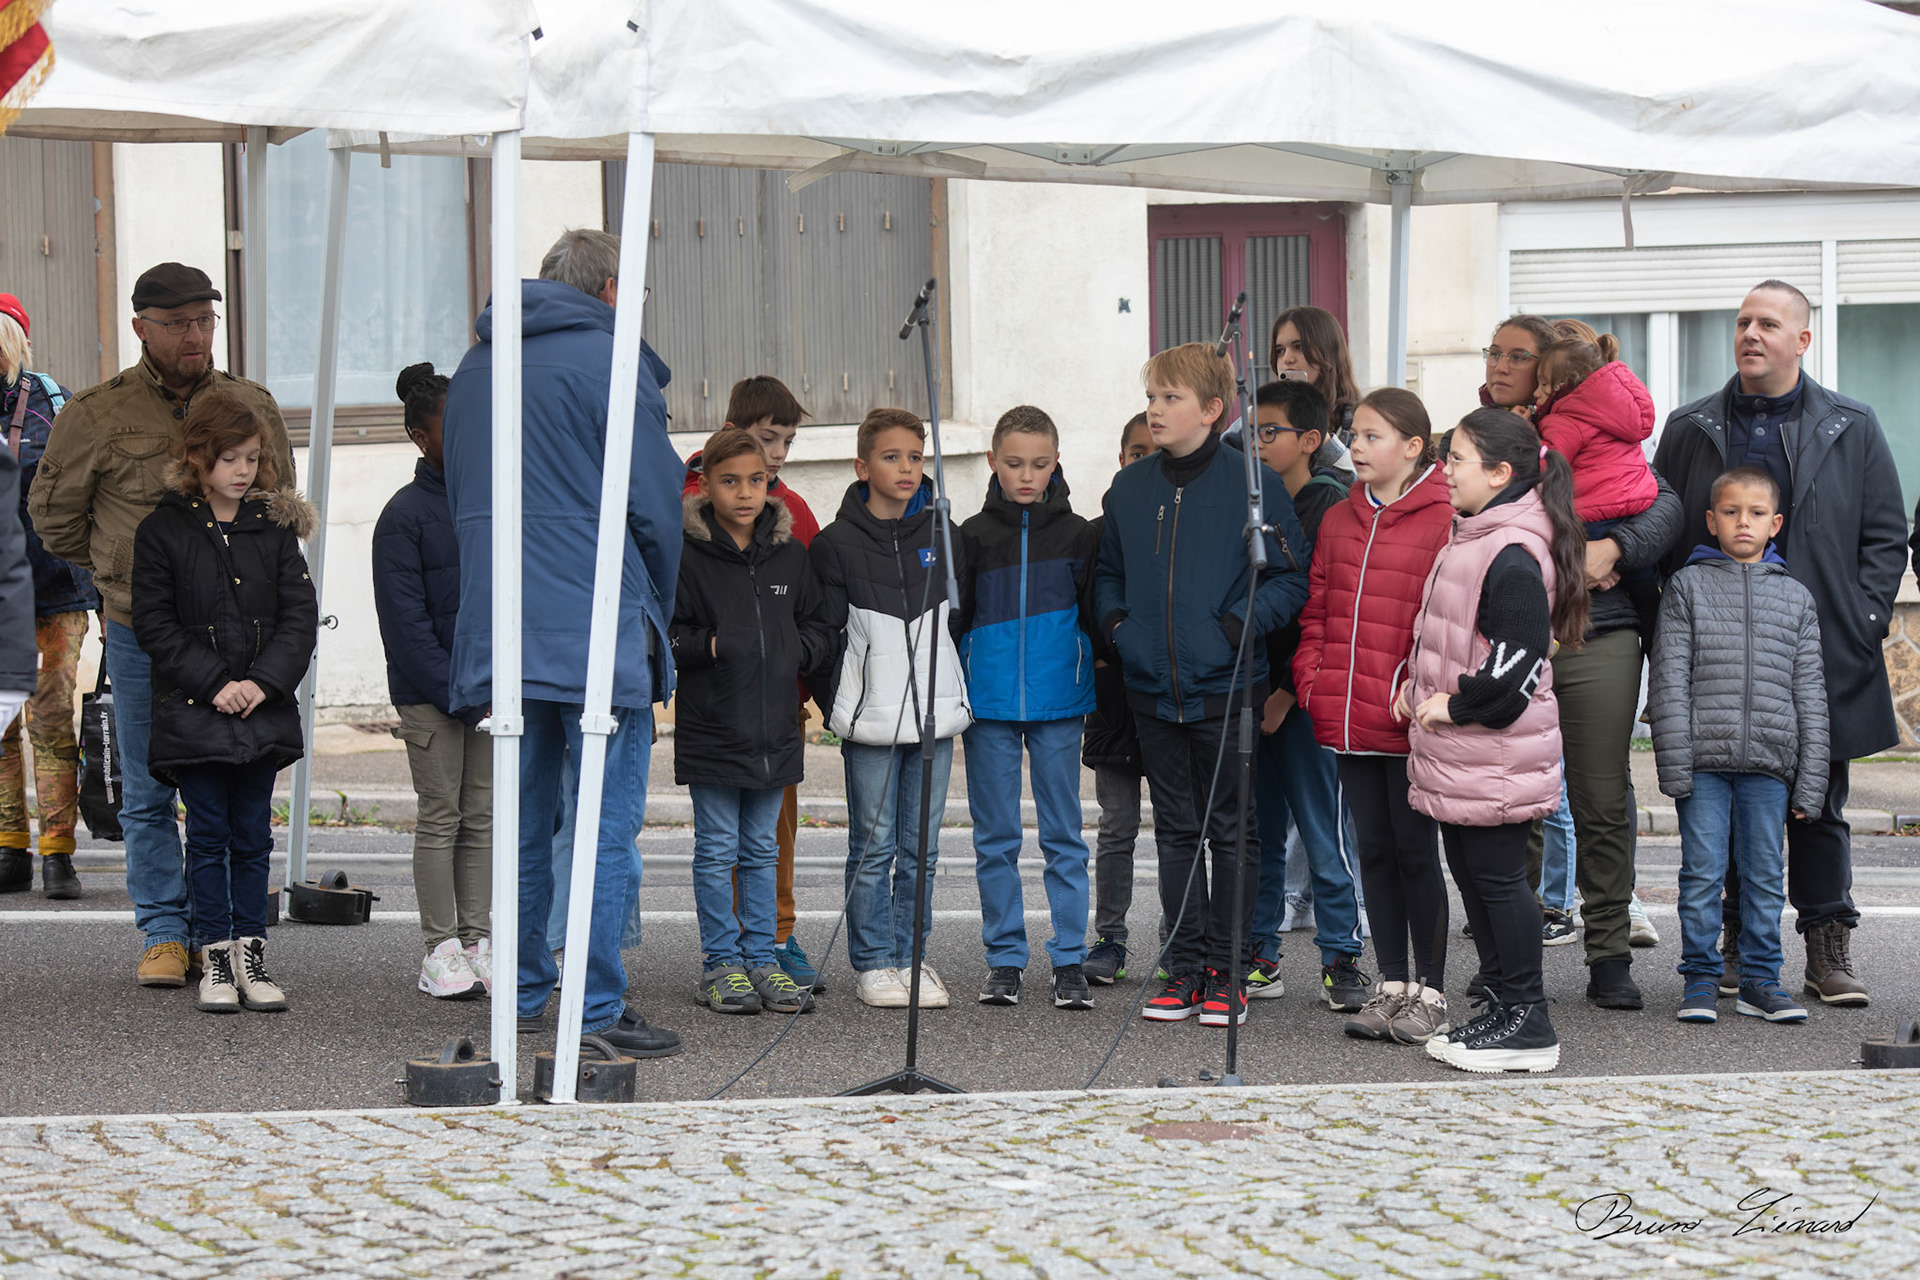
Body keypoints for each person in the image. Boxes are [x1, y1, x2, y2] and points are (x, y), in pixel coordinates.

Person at [441, 228, 683, 1058]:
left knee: (522, 819)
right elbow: (655, 511)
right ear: (611, 290)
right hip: (596, 622)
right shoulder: (612, 365)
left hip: (505, 623)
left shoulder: (478, 363)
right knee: (601, 825)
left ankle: (524, 989)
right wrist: (662, 612)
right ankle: (596, 1003)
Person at [29, 263, 296, 989]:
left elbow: (280, 503)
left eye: (205, 320)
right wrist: (122, 570)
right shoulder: (95, 413)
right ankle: (164, 933)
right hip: (142, 631)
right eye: (178, 322)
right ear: (141, 325)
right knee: (149, 789)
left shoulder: (249, 403)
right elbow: (52, 515)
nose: (195, 334)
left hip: (240, 632)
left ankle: (229, 936)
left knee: (238, 779)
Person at [1653, 280, 1908, 1007]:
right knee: (1728, 805)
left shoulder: (1850, 425)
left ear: (1802, 339)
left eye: (1768, 323)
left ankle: (1827, 947)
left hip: (1819, 657)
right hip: (1718, 661)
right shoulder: (1691, 425)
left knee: (1817, 808)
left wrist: (1859, 625)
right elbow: (1666, 530)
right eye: (1742, 322)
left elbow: (1885, 537)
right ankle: (1734, 945)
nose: (1750, 334)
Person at [1093, 343, 1309, 1029]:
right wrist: (1123, 631)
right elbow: (1106, 579)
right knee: (1177, 830)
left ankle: (1228, 968)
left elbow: (1289, 577)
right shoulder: (1129, 488)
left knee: (1233, 831)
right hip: (1152, 690)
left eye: (1169, 398)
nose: (1153, 409)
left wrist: (1233, 627)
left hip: (1226, 687)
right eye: (1150, 396)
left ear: (1213, 410)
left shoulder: (1255, 483)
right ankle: (1183, 966)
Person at [1478, 313, 1680, 1010]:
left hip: (1602, 632)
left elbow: (1666, 504)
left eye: (1518, 356)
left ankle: (1609, 955)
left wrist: (1616, 549)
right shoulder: (1480, 438)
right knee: (1511, 801)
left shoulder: (1591, 426)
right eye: (1494, 352)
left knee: (1599, 797)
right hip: (1512, 638)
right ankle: (1509, 952)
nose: (1501, 365)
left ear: (1555, 372)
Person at [1407, 409, 1590, 1074]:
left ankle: (1528, 1021)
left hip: (1494, 756)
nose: (1445, 469)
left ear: (1500, 472)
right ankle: (1503, 1007)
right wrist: (1418, 694)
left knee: (1498, 881)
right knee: (1478, 880)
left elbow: (1512, 677)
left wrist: (1450, 706)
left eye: (1456, 457)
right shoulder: (1475, 536)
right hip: (1467, 757)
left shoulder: (1511, 553)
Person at [130, 389, 317, 1014]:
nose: (243, 470)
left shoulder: (272, 527)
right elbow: (154, 624)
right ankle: (214, 957)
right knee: (206, 833)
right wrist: (216, 683)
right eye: (230, 457)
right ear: (199, 458)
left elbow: (300, 618)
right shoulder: (162, 529)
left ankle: (252, 957)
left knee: (252, 835)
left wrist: (262, 683)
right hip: (195, 711)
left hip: (258, 708)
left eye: (252, 458)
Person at [1294, 388, 1454, 1044]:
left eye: (1372, 436)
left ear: (1414, 447)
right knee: (1375, 853)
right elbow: (1319, 611)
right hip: (1349, 717)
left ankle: (1432, 994)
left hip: (1411, 721)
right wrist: (1315, 682)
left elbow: (1451, 623)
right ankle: (1390, 986)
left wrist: (1420, 688)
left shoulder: (1446, 516)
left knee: (1417, 854)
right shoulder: (1340, 517)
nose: (1355, 447)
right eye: (1352, 435)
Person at [1651, 467, 1827, 1026]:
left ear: (1775, 524)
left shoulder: (1796, 599)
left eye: (1755, 513)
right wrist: (1674, 764)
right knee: (1701, 873)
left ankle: (1761, 982)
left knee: (1764, 877)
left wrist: (1812, 778)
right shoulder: (1687, 587)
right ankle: (1701, 980)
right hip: (1703, 762)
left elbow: (1811, 695)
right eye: (1730, 512)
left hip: (1770, 767)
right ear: (1711, 520)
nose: (1742, 522)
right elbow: (1669, 682)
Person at [811, 407, 971, 1009]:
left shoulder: (944, 535)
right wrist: (849, 701)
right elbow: (825, 637)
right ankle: (874, 960)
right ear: (861, 466)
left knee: (923, 850)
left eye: (914, 457)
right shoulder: (835, 544)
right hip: (871, 720)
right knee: (873, 846)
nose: (906, 468)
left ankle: (912, 956)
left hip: (934, 715)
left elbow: (962, 617)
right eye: (890, 457)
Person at [671, 427, 831, 1017]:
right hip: (714, 727)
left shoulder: (790, 553)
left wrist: (797, 652)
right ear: (706, 484)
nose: (744, 493)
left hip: (775, 727)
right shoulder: (686, 552)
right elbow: (669, 633)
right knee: (717, 851)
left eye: (756, 480)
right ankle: (721, 965)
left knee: (763, 849)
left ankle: (763, 959)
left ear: (771, 483)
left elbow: (817, 623)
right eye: (729, 480)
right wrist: (712, 645)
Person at [956, 405, 1098, 1011]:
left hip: (1059, 700)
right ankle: (1005, 959)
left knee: (1064, 835)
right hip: (986, 702)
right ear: (992, 461)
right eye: (1013, 463)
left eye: (1039, 465)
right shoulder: (970, 535)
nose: (1026, 475)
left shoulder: (1080, 535)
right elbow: (957, 616)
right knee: (996, 837)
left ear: (1056, 463)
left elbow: (1092, 614)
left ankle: (1070, 960)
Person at [1242, 378, 1368, 1012]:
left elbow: (1326, 612)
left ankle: (1342, 955)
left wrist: (1288, 694)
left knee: (1321, 830)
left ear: (1310, 441)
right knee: (1258, 831)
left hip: (1302, 699)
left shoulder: (1331, 506)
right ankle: (1260, 955)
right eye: (1251, 431)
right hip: (1250, 694)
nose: (1256, 442)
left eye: (1271, 432)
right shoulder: (1247, 500)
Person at [373, 362, 491, 1001]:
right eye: (455, 422)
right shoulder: (403, 516)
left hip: (487, 691)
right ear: (422, 436)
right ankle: (439, 947)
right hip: (432, 695)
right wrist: (458, 690)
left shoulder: (491, 499)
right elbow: (405, 624)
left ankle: (478, 941)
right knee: (441, 816)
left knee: (482, 816)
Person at [0, 295, 97, 899]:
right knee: (1, 722)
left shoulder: (55, 407)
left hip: (54, 590)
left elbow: (86, 496)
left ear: (18, 342)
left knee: (53, 718)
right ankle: (9, 848)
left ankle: (58, 852)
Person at [1081, 413, 1154, 986]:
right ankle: (1109, 937)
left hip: (1176, 697)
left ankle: (1182, 939)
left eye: (1152, 451)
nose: (1141, 460)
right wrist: (1108, 658)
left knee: (1185, 828)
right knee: (1117, 825)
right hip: (1115, 701)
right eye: (1133, 451)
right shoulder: (1100, 527)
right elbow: (1089, 604)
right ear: (1120, 457)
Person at [1267, 305, 1359, 480]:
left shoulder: (1359, 419)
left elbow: (1363, 484)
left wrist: (1322, 438)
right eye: (1280, 351)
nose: (1287, 359)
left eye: (1299, 347)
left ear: (1327, 352)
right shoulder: (1259, 414)